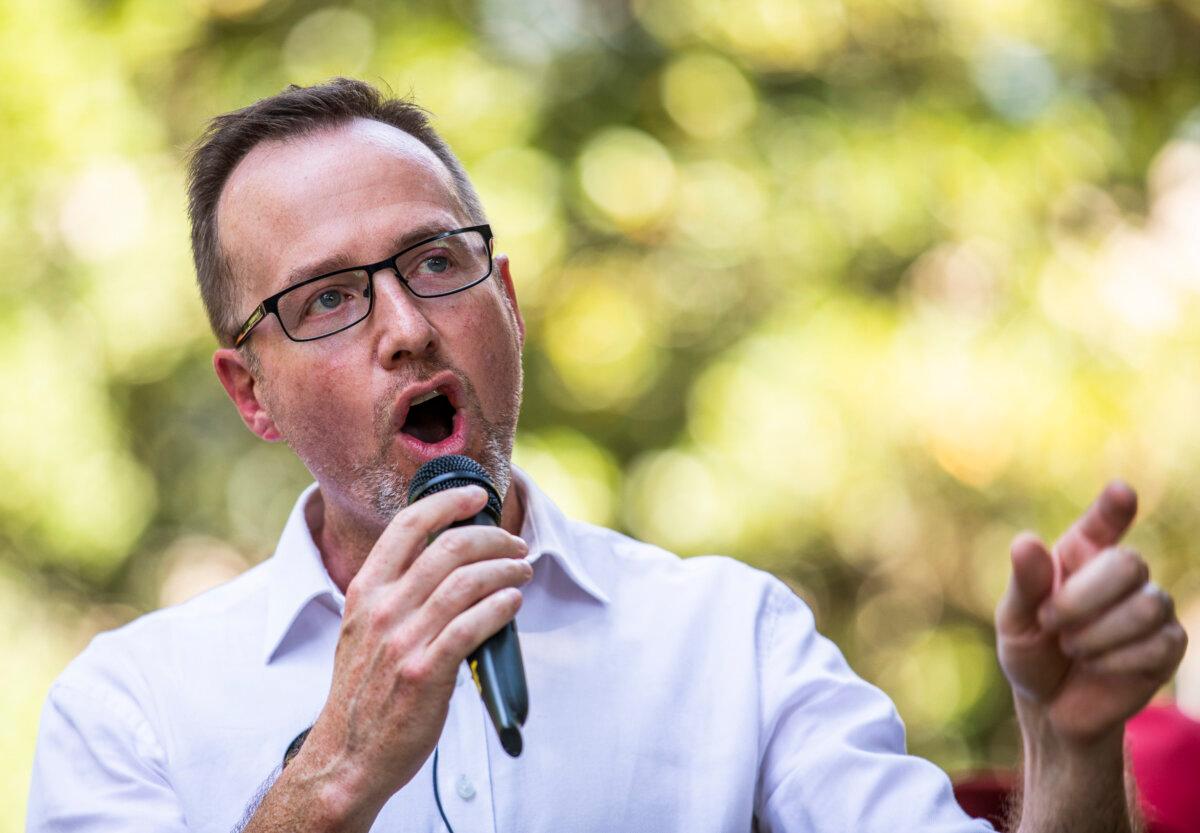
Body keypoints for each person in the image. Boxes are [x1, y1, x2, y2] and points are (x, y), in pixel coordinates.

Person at [26, 78, 1187, 833]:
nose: (407, 325)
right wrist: (333, 774)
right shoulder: (128, 708)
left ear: (508, 300)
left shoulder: (733, 639)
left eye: (437, 260)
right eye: (329, 298)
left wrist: (1072, 740)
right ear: (252, 394)